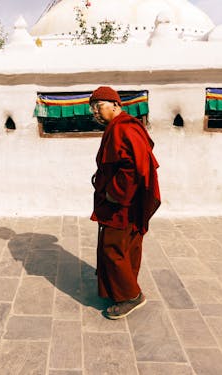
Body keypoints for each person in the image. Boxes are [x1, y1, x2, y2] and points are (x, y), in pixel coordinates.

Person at [89, 86, 161, 319]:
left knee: (113, 248)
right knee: (128, 247)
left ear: (116, 105)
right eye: (93, 109)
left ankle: (130, 296)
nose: (96, 113)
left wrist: (115, 194)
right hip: (128, 202)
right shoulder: (119, 127)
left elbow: (133, 167)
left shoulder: (124, 128)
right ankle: (119, 288)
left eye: (99, 106)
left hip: (122, 204)